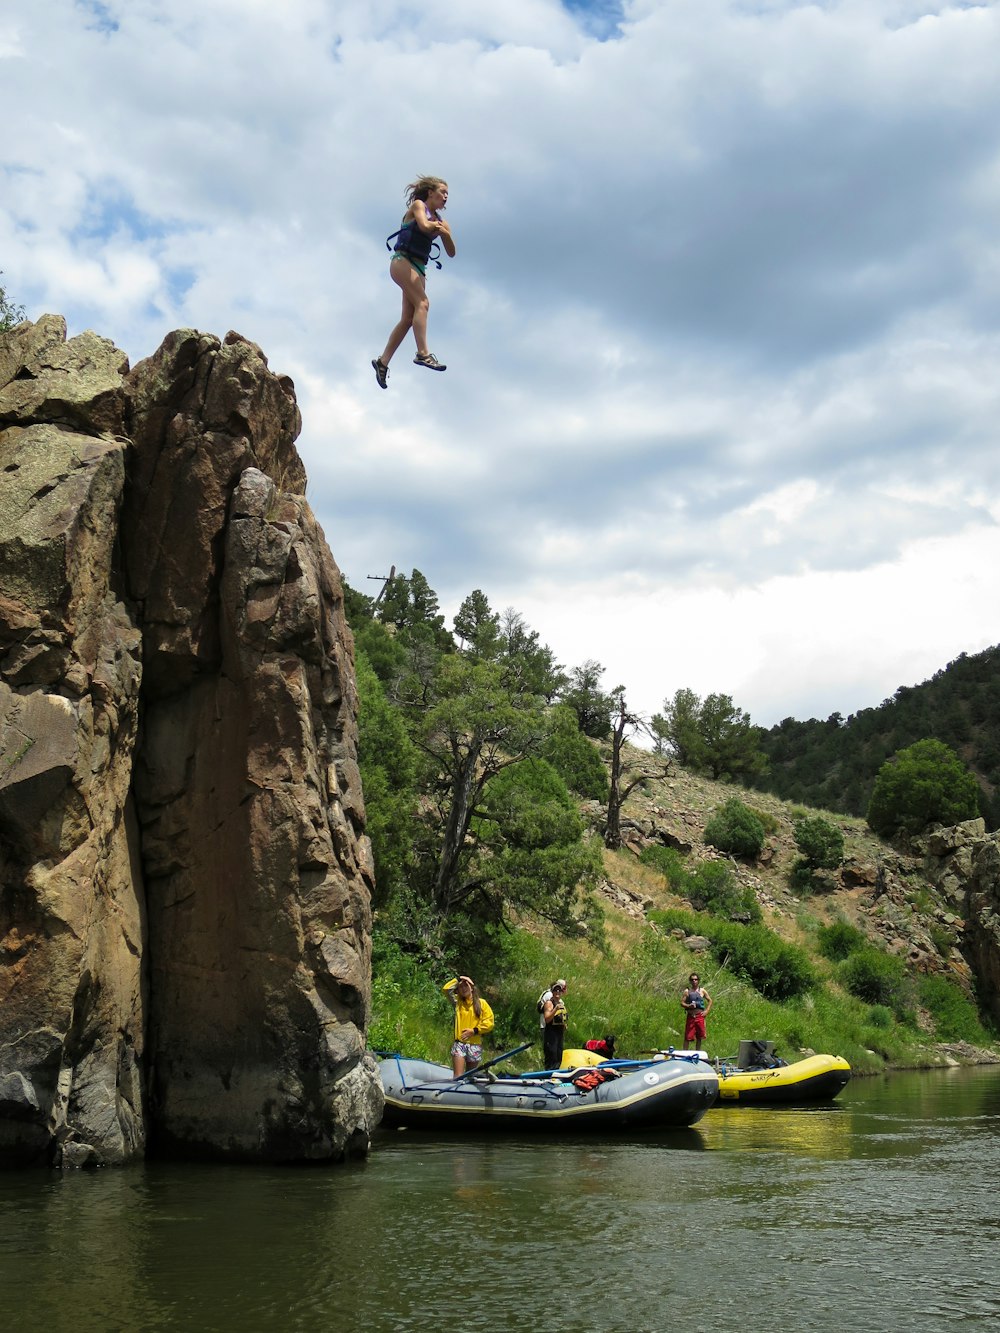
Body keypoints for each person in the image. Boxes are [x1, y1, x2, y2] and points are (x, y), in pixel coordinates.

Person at [372, 175, 456, 389]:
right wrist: (437, 229)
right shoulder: (419, 206)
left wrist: (445, 232)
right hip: (402, 261)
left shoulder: (441, 221)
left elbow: (451, 251)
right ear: (430, 193)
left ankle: (383, 362)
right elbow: (424, 226)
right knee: (423, 304)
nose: (445, 197)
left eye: (447, 194)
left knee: (408, 318)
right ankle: (423, 354)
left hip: (419, 268)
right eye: (442, 192)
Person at [444, 975, 494, 1077]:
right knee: (458, 1076)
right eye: (460, 987)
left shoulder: (482, 1003)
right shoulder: (458, 1003)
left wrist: (474, 1031)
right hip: (460, 1044)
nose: (463, 989)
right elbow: (446, 989)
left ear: (471, 988)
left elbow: (489, 1023)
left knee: (470, 1077)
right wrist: (459, 978)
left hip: (474, 1045)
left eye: (466, 986)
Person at [540, 979, 569, 1071]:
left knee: (558, 1056)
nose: (557, 992)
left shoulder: (561, 1004)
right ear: (552, 992)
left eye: (559, 990)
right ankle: (548, 1075)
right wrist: (555, 1009)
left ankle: (556, 1075)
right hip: (551, 1033)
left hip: (559, 1034)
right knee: (551, 1056)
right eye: (555, 990)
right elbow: (547, 1019)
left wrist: (564, 1025)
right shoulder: (549, 1003)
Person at [681, 972, 712, 1051]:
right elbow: (682, 1003)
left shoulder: (702, 991)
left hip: (700, 1015)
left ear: (698, 980)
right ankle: (685, 1053)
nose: (694, 981)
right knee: (688, 1036)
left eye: (696, 979)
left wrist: (707, 1011)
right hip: (691, 1016)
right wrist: (688, 1006)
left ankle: (697, 1052)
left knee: (699, 1036)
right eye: (692, 979)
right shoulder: (687, 991)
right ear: (690, 981)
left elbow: (710, 1000)